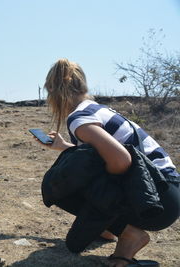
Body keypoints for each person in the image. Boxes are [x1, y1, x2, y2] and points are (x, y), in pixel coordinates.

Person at [38, 58, 180, 267]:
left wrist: (101, 191)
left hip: (155, 201)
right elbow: (102, 156)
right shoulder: (96, 109)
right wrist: (64, 147)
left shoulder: (79, 118)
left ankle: (128, 233)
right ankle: (111, 227)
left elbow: (121, 160)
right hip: (167, 191)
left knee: (59, 184)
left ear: (54, 91)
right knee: (77, 172)